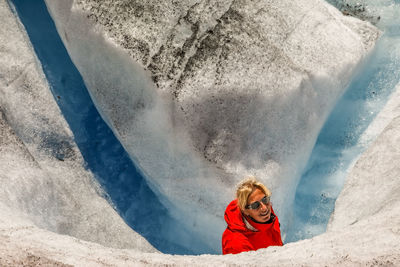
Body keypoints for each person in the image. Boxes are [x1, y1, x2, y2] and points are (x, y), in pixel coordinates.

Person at [222, 176, 283, 254]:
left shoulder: (270, 219)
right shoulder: (236, 243)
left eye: (265, 199)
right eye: (255, 205)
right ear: (245, 210)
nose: (264, 208)